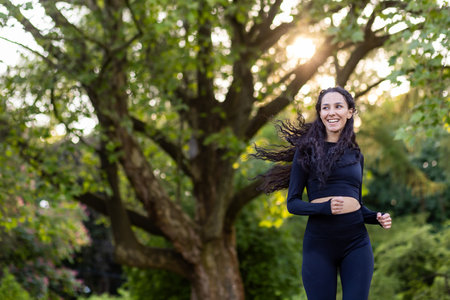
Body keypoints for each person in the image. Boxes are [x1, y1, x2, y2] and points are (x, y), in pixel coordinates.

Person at [253, 87, 392, 300]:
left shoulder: (356, 154)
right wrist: (323, 208)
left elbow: (357, 203)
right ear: (320, 113)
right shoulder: (306, 150)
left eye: (338, 106)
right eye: (325, 107)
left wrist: (375, 217)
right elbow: (293, 203)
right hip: (320, 244)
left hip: (356, 241)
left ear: (350, 112)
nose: (331, 112)